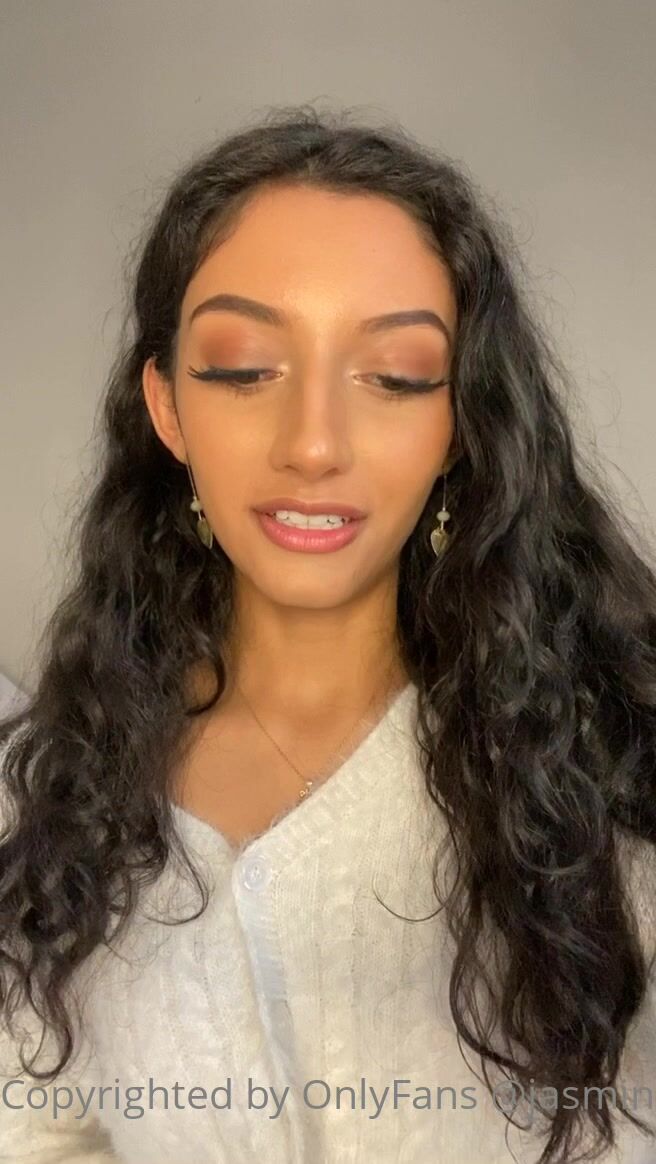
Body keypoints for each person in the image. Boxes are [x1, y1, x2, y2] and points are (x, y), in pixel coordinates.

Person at [1, 104, 655, 1164]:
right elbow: (35, 1131)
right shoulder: (49, 797)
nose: (313, 444)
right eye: (243, 368)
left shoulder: (609, 773)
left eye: (394, 377)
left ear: (460, 424)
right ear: (167, 410)